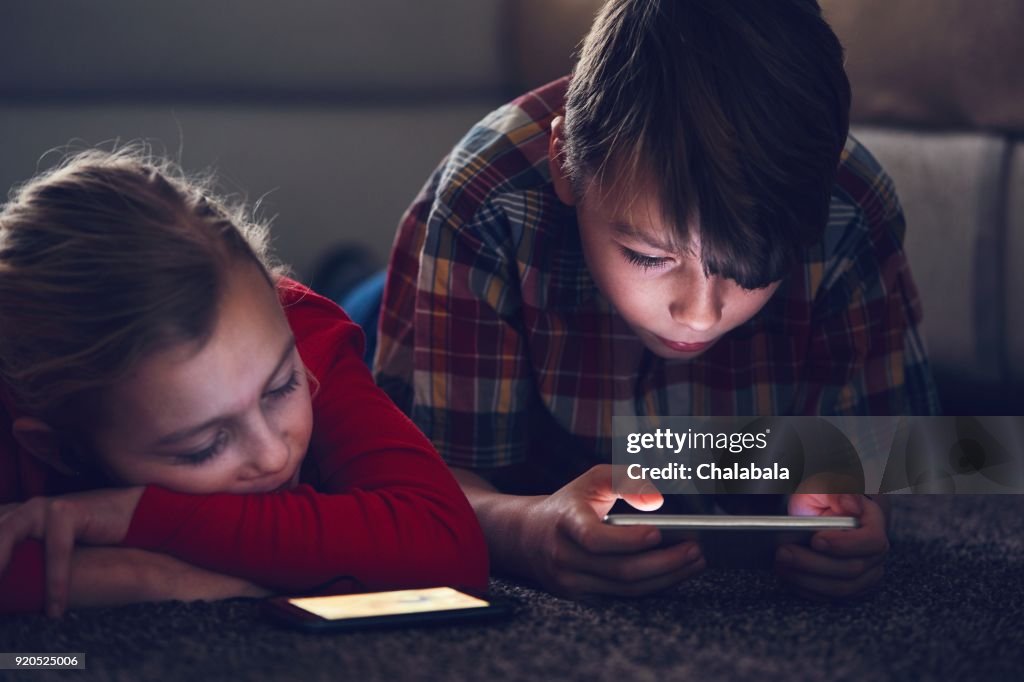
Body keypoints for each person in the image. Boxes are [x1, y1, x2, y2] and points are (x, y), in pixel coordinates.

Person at [375, 0, 937, 599]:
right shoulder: (488, 199)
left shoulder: (850, 203)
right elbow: (418, 482)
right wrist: (525, 533)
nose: (699, 314)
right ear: (565, 163)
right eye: (648, 257)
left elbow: (878, 461)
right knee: (341, 343)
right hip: (432, 306)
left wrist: (846, 505)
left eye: (755, 270)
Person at [0, 148, 488, 617]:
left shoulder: (301, 331)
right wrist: (139, 577)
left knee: (371, 295)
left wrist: (142, 517)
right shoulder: (25, 414)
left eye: (281, 390)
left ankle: (346, 272)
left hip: (341, 302)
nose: (273, 456)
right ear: (57, 448)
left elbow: (446, 545)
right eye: (203, 446)